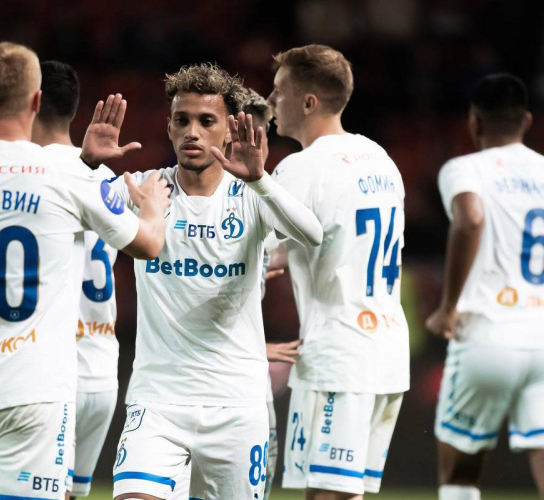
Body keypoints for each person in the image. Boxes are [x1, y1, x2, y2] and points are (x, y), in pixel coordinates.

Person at [0, 42, 170, 500]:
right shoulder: (67, 175)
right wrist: (154, 206)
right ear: (37, 100)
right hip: (34, 386)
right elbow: (148, 244)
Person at [104, 63, 323, 500]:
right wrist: (90, 164)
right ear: (169, 127)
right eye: (182, 120)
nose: (193, 132)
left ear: (228, 132)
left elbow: (312, 234)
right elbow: (72, 202)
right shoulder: (145, 191)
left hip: (237, 405)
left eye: (207, 121)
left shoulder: (251, 195)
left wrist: (260, 180)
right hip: (158, 402)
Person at [267, 45, 409, 499]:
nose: (270, 101)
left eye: (279, 91)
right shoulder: (379, 157)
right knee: (343, 491)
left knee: (327, 492)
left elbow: (256, 250)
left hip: (340, 354)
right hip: (387, 348)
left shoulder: (301, 167)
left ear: (308, 102)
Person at [426, 73, 544, 500]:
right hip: (541, 335)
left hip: (488, 333)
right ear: (526, 121)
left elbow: (471, 218)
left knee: (459, 472)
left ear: (474, 122)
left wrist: (448, 307)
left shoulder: (464, 168)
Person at [32, 60, 121, 499]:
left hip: (48, 370)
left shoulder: (28, 174)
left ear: (29, 103)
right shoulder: (108, 177)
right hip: (102, 369)